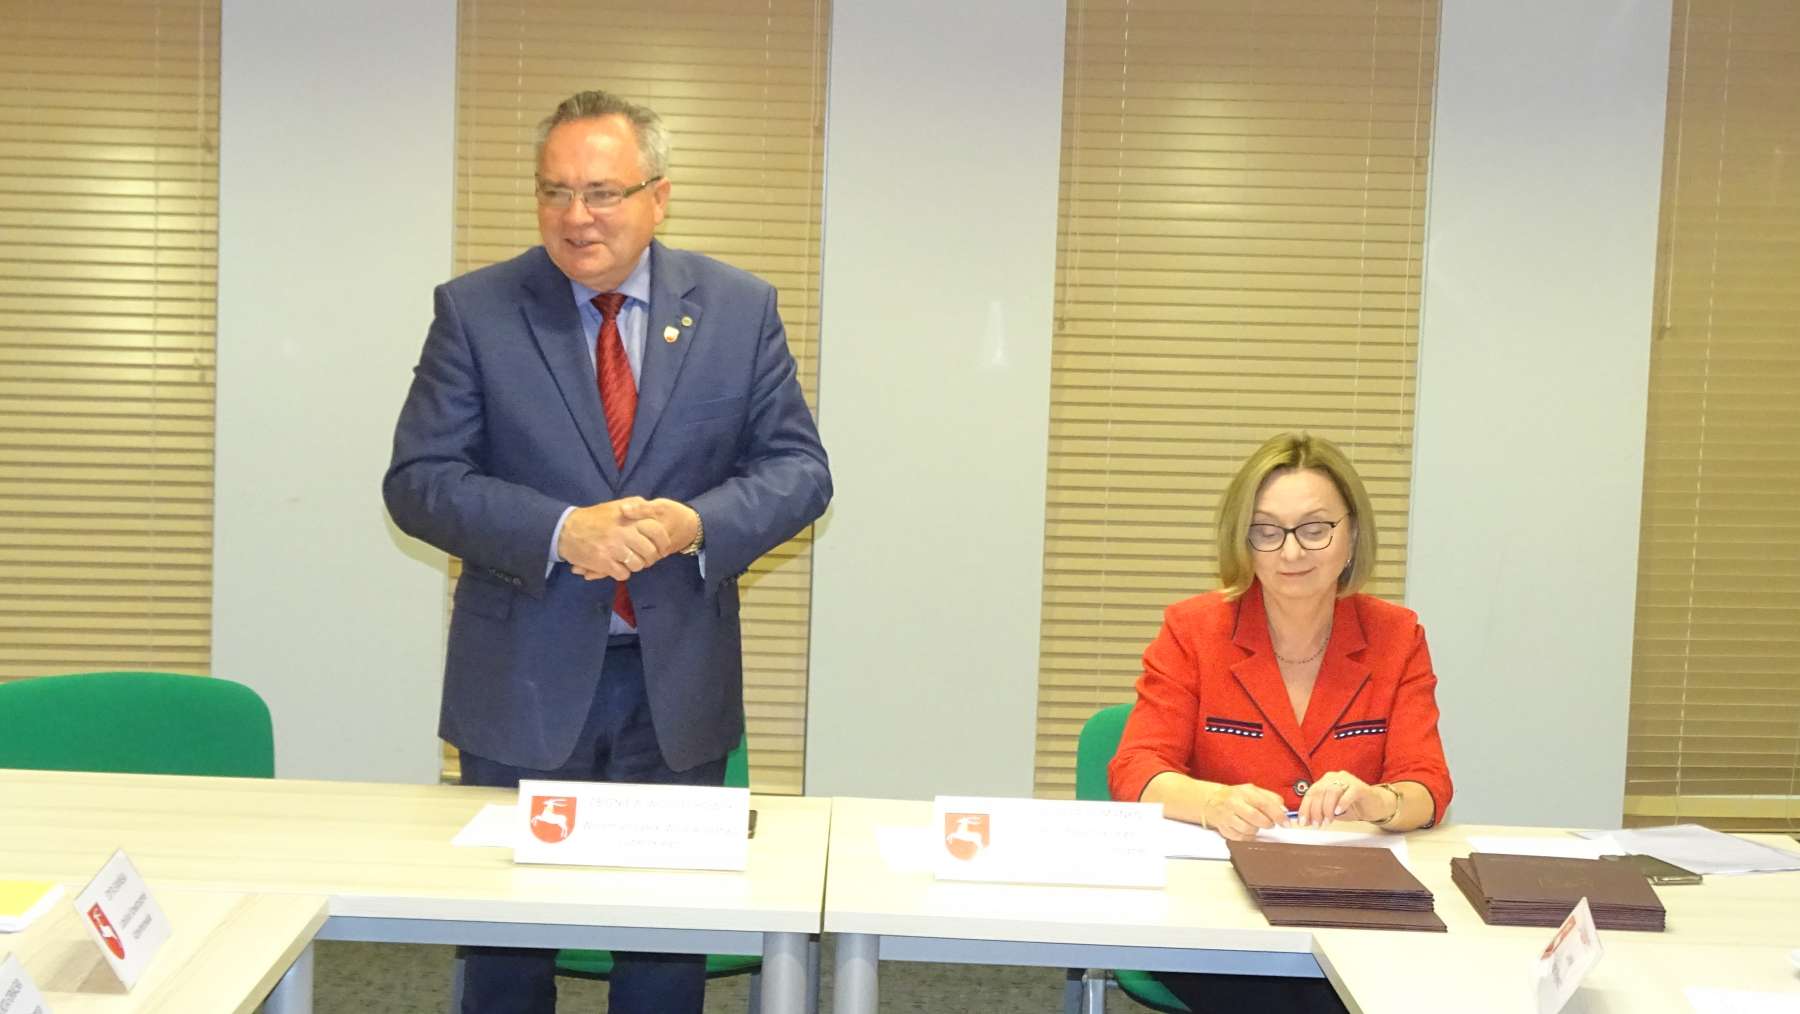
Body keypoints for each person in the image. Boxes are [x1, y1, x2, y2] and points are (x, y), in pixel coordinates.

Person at [382, 89, 831, 1014]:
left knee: (663, 953)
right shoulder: (477, 310)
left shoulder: (739, 309)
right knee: (507, 956)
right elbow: (420, 479)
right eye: (554, 191)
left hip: (676, 684)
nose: (575, 216)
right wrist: (560, 531)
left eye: (601, 193)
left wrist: (698, 524)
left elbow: (798, 471)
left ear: (658, 196)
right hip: (522, 681)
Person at [1108, 431, 1450, 1014]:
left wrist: (1376, 801)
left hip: (1349, 903)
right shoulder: (1193, 630)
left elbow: (1428, 785)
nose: (1291, 553)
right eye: (1266, 531)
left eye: (1314, 529)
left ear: (1353, 535)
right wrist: (1213, 801)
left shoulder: (1397, 636)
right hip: (1216, 911)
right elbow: (1136, 769)